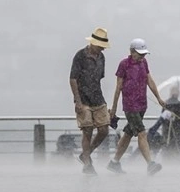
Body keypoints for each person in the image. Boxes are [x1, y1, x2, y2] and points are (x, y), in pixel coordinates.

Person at [107, 38, 166, 175]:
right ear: (132, 51)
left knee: (128, 133)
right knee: (141, 132)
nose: (142, 56)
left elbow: (149, 80)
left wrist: (158, 98)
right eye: (140, 54)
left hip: (142, 104)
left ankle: (114, 162)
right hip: (130, 105)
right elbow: (118, 88)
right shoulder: (124, 64)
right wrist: (114, 109)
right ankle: (150, 164)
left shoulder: (144, 62)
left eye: (144, 54)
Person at [69, 27, 111, 175]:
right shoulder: (80, 56)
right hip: (83, 100)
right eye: (101, 46)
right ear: (93, 43)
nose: (102, 49)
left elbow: (99, 79)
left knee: (104, 129)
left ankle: (86, 154)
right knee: (87, 130)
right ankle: (87, 163)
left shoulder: (101, 58)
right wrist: (78, 101)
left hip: (98, 98)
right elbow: (73, 79)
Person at [160, 85, 180, 163]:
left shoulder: (166, 104)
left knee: (167, 145)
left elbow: (163, 117)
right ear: (178, 94)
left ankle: (167, 161)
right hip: (179, 130)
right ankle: (178, 161)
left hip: (167, 130)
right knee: (178, 146)